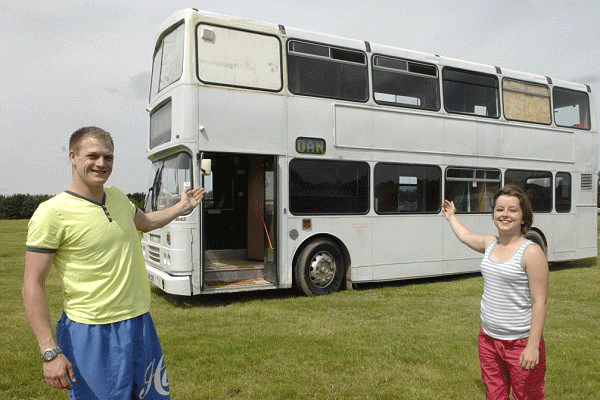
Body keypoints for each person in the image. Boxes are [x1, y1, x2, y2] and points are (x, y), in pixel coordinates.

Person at [22, 126, 204, 399]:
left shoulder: (118, 197)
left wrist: (181, 207)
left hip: (139, 323)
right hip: (91, 331)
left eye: (108, 157)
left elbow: (145, 222)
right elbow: (32, 284)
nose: (101, 164)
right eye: (92, 155)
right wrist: (49, 351)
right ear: (73, 156)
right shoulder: (52, 213)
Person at [442, 184, 548, 400]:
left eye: (512, 210)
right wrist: (451, 217)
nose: (505, 214)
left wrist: (533, 346)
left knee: (526, 396)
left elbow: (540, 301)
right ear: (493, 215)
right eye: (500, 209)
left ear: (523, 216)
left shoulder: (531, 252)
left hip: (520, 342)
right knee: (495, 396)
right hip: (488, 339)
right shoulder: (490, 244)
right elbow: (466, 236)